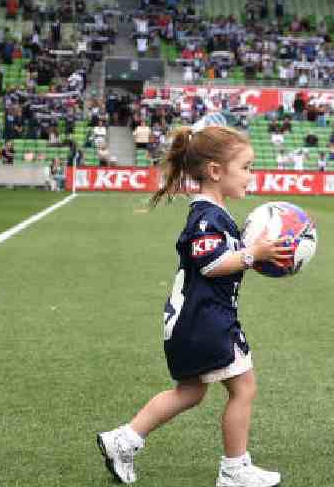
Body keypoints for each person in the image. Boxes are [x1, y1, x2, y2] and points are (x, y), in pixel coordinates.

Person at [96, 125, 289, 486]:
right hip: (206, 323)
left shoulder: (211, 213)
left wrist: (251, 251)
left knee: (189, 392)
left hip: (191, 323)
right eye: (246, 167)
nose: (252, 175)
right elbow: (211, 263)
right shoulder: (206, 216)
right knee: (243, 387)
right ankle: (234, 470)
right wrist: (252, 255)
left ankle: (123, 440)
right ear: (216, 171)